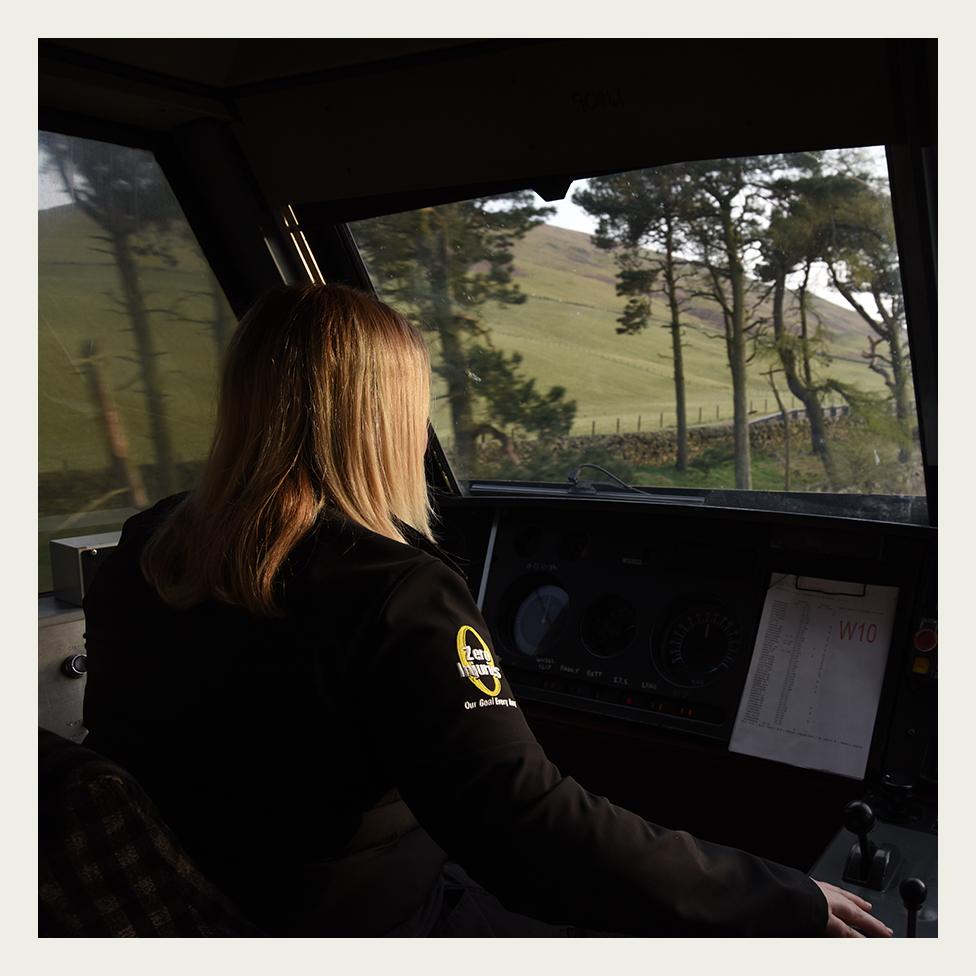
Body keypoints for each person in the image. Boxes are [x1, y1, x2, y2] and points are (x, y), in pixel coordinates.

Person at [82, 283, 891, 938]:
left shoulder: (149, 543)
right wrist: (784, 898)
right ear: (384, 418)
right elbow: (529, 832)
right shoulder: (394, 592)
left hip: (201, 898)